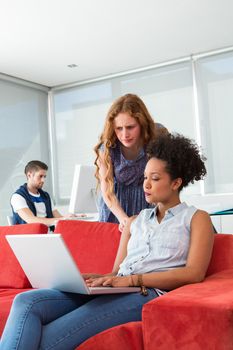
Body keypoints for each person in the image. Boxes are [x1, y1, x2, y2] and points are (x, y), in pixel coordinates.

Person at [0, 133, 214, 350]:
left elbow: (194, 273)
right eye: (145, 177)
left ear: (176, 182)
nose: (146, 184)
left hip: (146, 293)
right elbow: (116, 272)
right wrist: (98, 279)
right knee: (26, 302)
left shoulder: (196, 218)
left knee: (45, 340)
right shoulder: (134, 222)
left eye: (155, 178)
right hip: (118, 288)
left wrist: (132, 280)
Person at [94, 93, 168, 231]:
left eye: (130, 127)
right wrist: (123, 219)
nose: (124, 135)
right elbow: (107, 192)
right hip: (116, 207)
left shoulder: (158, 135)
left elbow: (166, 176)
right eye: (119, 128)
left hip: (148, 202)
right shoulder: (107, 149)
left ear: (142, 123)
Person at [10, 160, 69, 227]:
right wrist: (60, 220)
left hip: (49, 234)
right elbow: (31, 220)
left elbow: (58, 217)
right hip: (31, 235)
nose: (43, 180)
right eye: (40, 176)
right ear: (29, 175)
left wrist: (70, 218)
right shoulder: (18, 197)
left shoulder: (46, 196)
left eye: (44, 177)